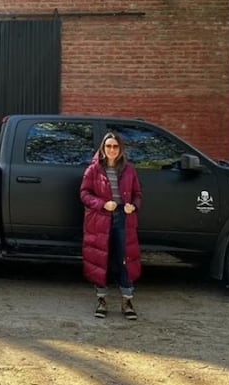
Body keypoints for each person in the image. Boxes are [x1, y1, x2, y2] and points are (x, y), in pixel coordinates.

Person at [80, 132, 142, 320]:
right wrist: (102, 204)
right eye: (108, 146)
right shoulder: (93, 169)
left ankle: (127, 301)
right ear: (103, 148)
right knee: (101, 260)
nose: (112, 150)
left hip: (124, 219)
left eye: (115, 146)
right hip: (100, 219)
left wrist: (134, 205)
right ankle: (102, 300)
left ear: (120, 149)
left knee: (126, 259)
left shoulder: (129, 170)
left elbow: (138, 194)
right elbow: (84, 193)